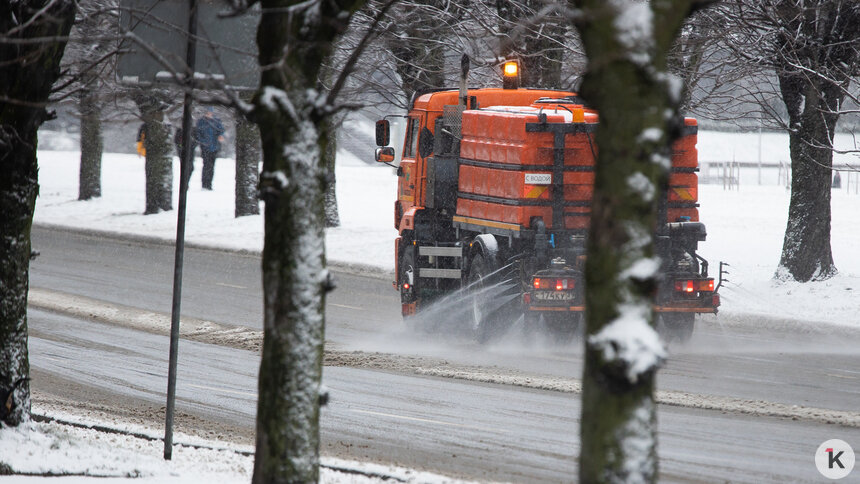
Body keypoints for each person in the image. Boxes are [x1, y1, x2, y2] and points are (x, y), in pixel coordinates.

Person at [194, 107, 225, 190]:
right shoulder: (201, 122)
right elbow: (198, 134)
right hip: (205, 148)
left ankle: (209, 184)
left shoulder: (216, 121)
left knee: (211, 166)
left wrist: (221, 136)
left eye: (210, 112)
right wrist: (203, 142)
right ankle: (204, 184)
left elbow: (221, 131)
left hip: (214, 147)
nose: (209, 114)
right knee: (206, 165)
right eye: (207, 112)